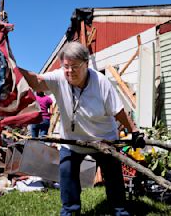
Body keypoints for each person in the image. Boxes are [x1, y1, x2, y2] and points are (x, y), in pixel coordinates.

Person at [14, 41, 145, 216]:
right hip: (72, 140)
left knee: (113, 176)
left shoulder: (101, 82)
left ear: (87, 64)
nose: (69, 71)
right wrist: (12, 67)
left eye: (74, 67)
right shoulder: (60, 77)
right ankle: (70, 211)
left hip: (104, 139)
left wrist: (134, 131)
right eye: (66, 66)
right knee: (67, 173)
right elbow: (36, 81)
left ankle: (119, 210)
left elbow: (118, 111)